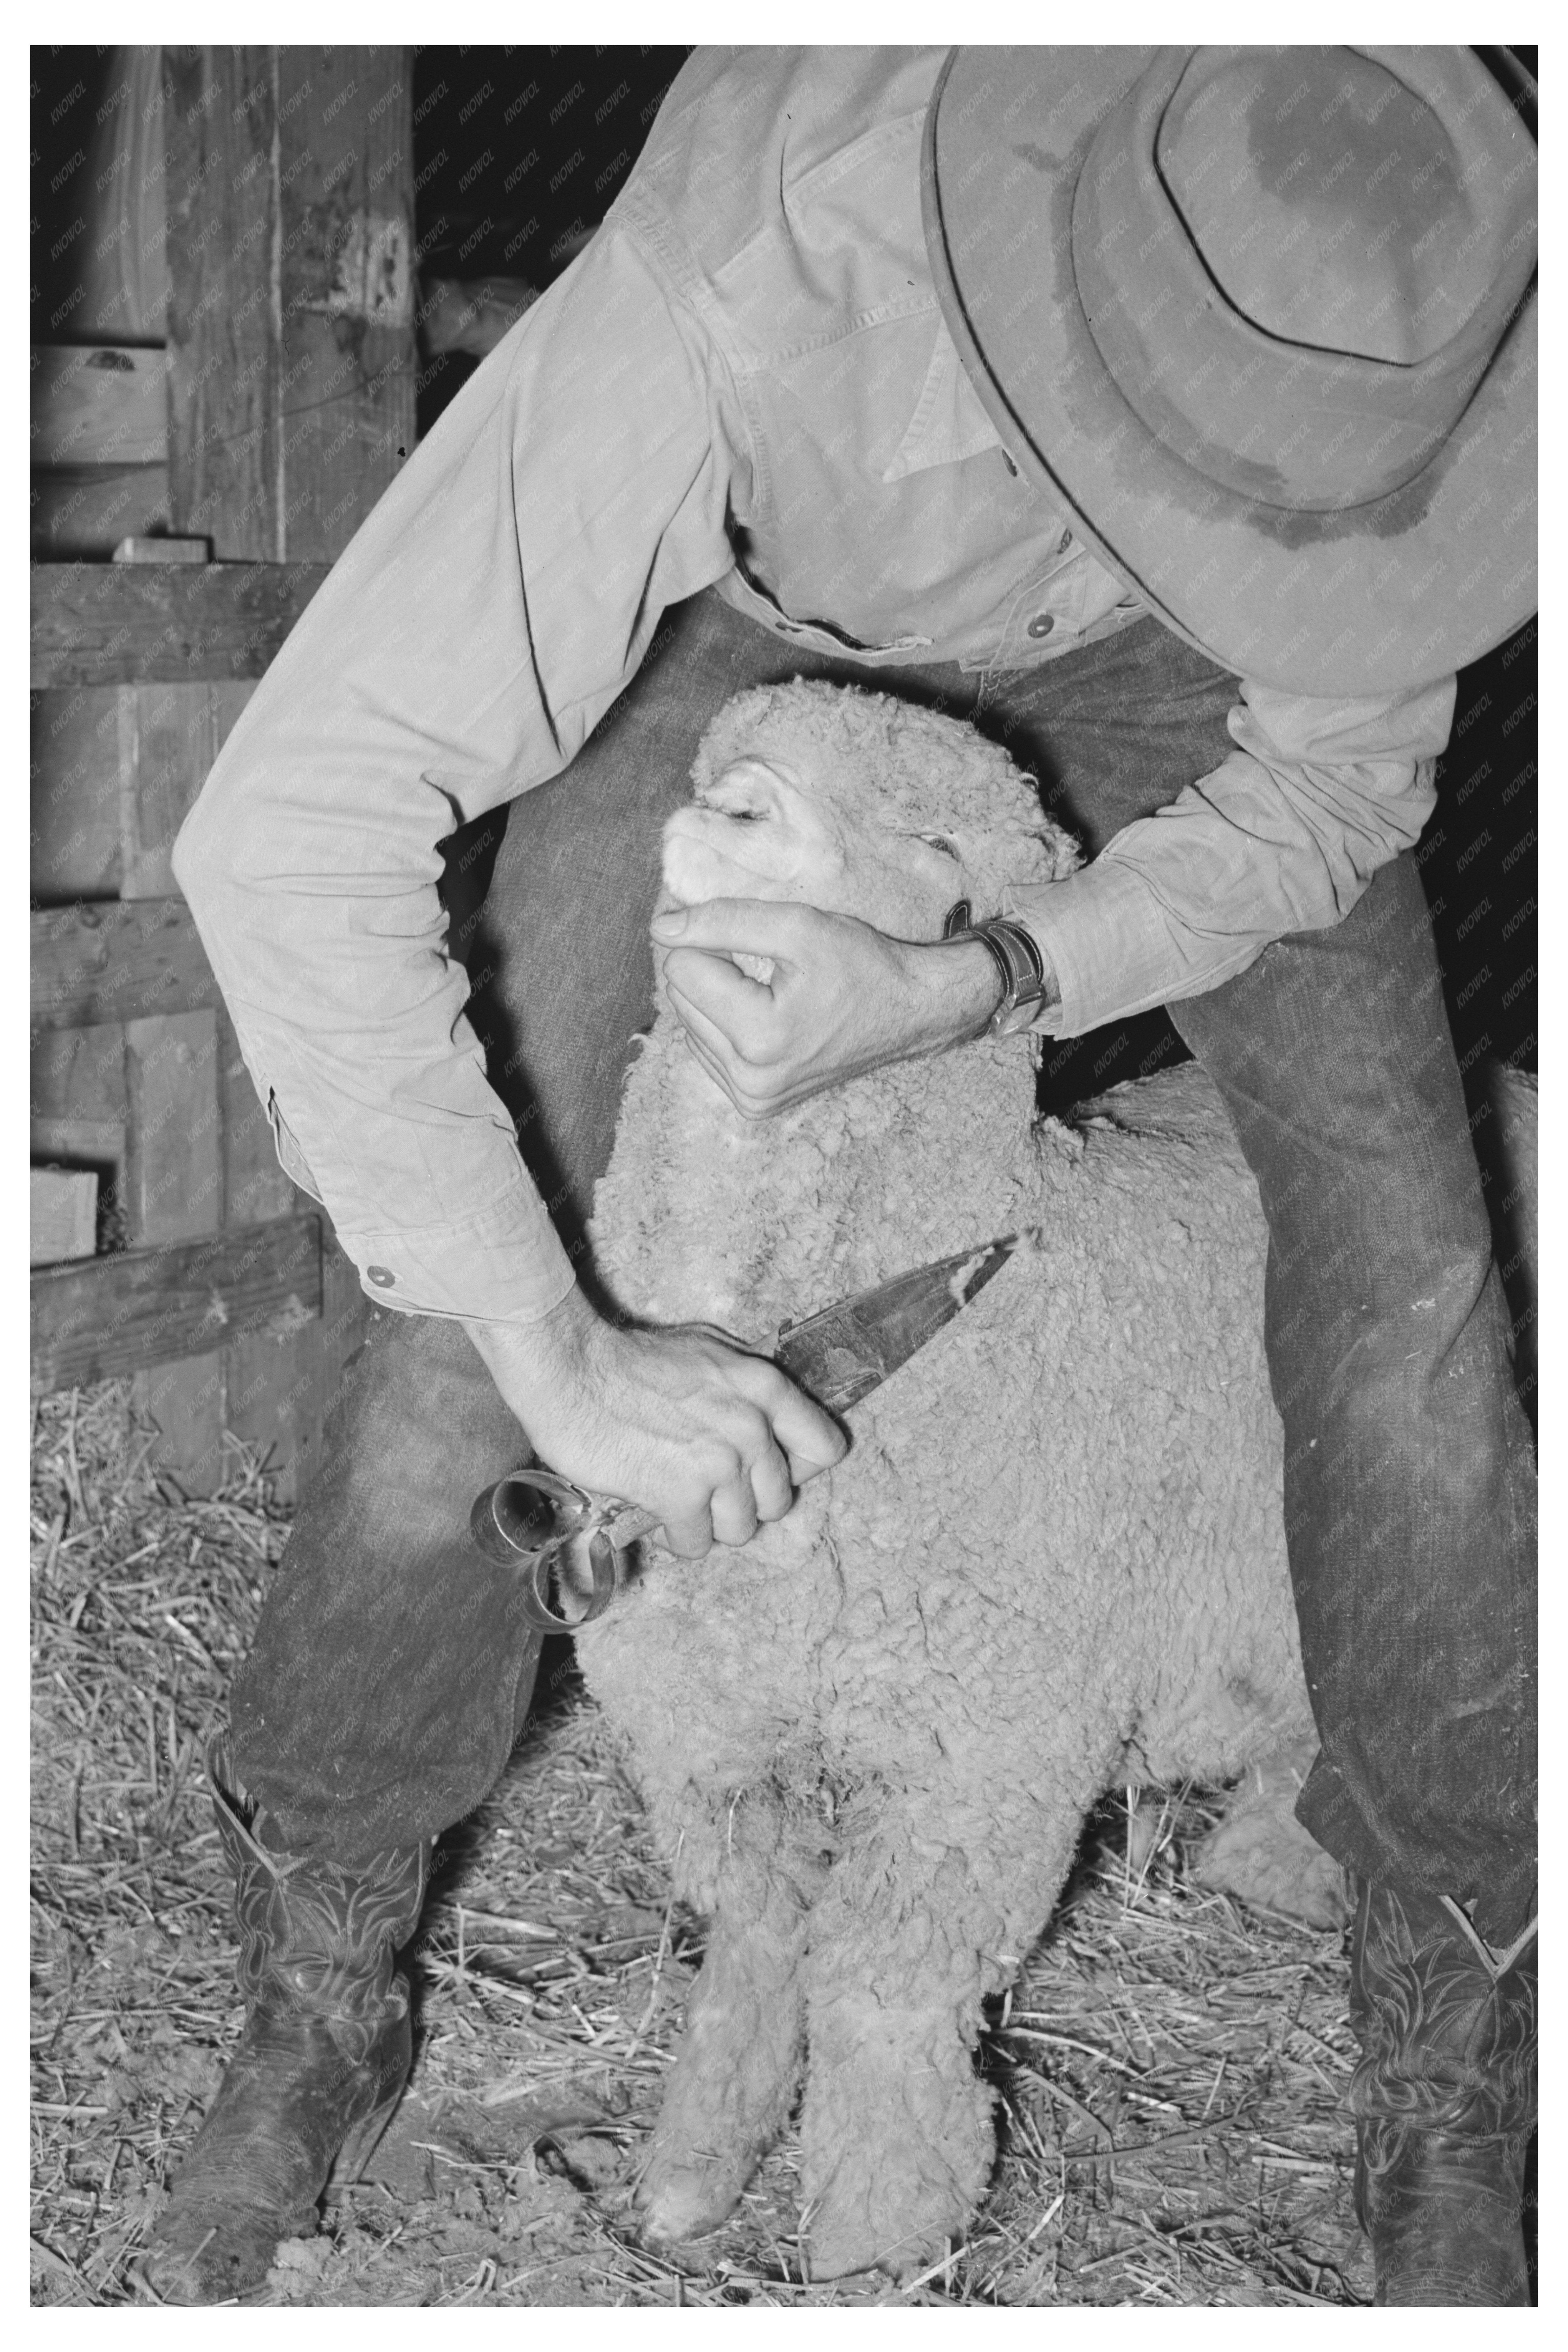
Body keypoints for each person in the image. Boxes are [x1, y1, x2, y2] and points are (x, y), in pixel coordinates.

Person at [142, 48, 1537, 2306]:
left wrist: (992, 974)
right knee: (488, 1273)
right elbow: (289, 822)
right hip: (782, 615)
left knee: (1410, 1292)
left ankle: (1456, 2016)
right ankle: (319, 1977)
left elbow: (1327, 798)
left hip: (1212, 699)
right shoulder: (748, 277)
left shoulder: (1411, 310)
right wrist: (563, 1346)